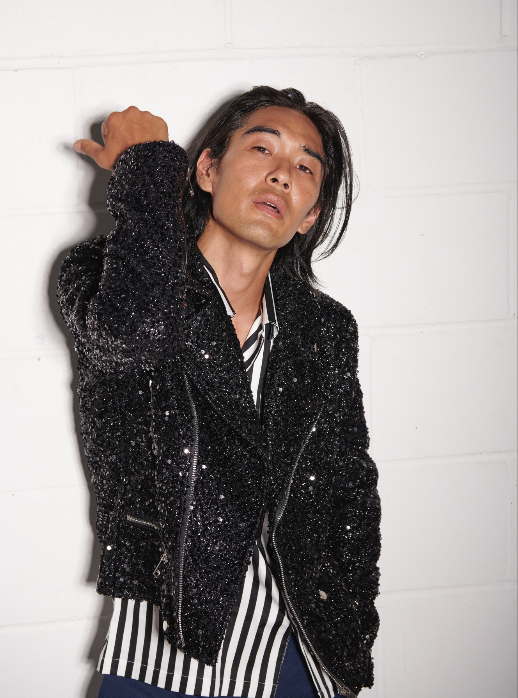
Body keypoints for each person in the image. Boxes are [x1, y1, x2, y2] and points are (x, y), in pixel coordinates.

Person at [58, 86, 380, 698]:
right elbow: (130, 337)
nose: (282, 174)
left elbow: (351, 492)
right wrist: (148, 171)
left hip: (300, 662)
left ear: (309, 216)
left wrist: (350, 642)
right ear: (206, 170)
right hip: (161, 657)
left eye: (305, 167)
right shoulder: (101, 276)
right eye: (262, 149)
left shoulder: (325, 330)